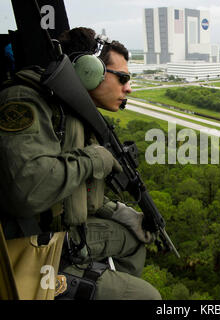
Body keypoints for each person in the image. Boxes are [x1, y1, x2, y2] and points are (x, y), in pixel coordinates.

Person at [0, 27, 161, 300]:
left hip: (61, 234)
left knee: (135, 238)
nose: (128, 88)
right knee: (148, 297)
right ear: (89, 70)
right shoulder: (24, 100)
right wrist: (95, 158)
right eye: (122, 78)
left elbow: (75, 192)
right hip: (28, 247)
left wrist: (118, 211)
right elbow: (28, 191)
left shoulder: (71, 113)